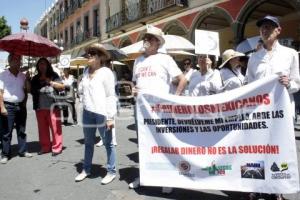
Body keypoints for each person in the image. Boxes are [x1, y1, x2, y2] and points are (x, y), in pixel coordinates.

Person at [246, 15, 300, 200]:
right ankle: (255, 185)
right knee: (256, 149)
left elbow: (297, 82)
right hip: (259, 113)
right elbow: (248, 84)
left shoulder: (290, 54)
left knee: (280, 148)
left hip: (281, 113)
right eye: (262, 27)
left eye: (269, 27)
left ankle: (278, 189)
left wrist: (288, 83)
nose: (265, 30)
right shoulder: (254, 57)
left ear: (278, 30)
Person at [129, 25, 186, 193]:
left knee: (163, 143)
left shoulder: (165, 59)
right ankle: (145, 176)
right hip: (141, 110)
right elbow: (134, 82)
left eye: (150, 38)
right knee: (144, 144)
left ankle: (167, 178)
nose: (146, 40)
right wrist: (133, 89)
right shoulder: (137, 61)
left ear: (157, 43)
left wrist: (174, 98)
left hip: (161, 110)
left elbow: (182, 80)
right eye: (145, 38)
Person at [75, 43, 117, 185]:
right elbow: (81, 91)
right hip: (88, 112)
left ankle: (111, 171)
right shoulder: (86, 71)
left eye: (92, 54)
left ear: (99, 57)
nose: (89, 56)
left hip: (102, 113)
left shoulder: (106, 72)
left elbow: (111, 95)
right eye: (89, 54)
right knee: (88, 143)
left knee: (108, 143)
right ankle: (86, 169)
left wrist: (110, 117)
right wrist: (81, 82)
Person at [0, 53, 32, 164]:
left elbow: (27, 90)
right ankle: (5, 154)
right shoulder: (3, 75)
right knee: (6, 132)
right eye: (15, 60)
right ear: (9, 62)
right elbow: (0, 92)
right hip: (8, 106)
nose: (18, 62)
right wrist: (2, 107)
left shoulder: (22, 75)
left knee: (21, 130)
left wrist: (27, 79)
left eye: (19, 60)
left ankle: (23, 151)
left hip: (21, 106)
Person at [30, 58, 65, 156]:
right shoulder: (35, 78)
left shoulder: (54, 75)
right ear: (38, 66)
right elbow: (31, 91)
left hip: (53, 107)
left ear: (47, 65)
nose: (42, 66)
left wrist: (51, 82)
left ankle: (57, 147)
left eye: (44, 64)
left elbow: (62, 87)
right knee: (42, 129)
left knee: (55, 128)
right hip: (40, 108)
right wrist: (28, 80)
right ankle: (45, 147)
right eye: (40, 64)